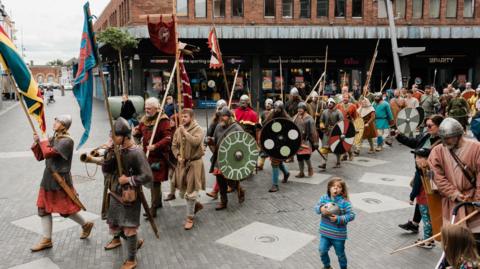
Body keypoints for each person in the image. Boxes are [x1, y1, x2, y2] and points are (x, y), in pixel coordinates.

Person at [30, 115, 94, 252]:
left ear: (64, 125)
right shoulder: (55, 138)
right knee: (42, 208)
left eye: (58, 122)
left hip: (60, 180)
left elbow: (48, 153)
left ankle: (86, 224)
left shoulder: (67, 141)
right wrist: (37, 143)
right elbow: (41, 156)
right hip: (48, 178)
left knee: (66, 210)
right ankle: (47, 239)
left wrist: (44, 141)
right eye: (55, 120)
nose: (54, 123)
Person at [102, 117, 153, 269]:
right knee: (117, 224)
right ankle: (135, 243)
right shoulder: (117, 150)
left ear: (124, 137)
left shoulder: (136, 152)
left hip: (129, 195)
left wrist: (129, 179)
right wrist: (108, 150)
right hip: (116, 193)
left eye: (115, 136)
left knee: (129, 227)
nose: (112, 138)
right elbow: (106, 169)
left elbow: (148, 176)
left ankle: (131, 259)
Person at [428, 118, 480, 248]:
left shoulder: (476, 148)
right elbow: (438, 177)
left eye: (448, 138)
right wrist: (453, 193)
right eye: (443, 138)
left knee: (475, 242)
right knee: (454, 243)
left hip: (473, 203)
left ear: (458, 135)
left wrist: (477, 200)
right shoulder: (438, 151)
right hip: (452, 204)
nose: (444, 142)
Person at [395, 115, 444, 234]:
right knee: (422, 198)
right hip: (422, 172)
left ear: (439, 126)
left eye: (430, 126)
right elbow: (414, 143)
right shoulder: (426, 135)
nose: (427, 128)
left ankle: (431, 234)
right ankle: (415, 224)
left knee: (430, 201)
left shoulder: (443, 141)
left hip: (433, 175)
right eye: (426, 125)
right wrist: (399, 136)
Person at [133, 97, 172, 217]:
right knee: (152, 181)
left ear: (156, 108)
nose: (146, 110)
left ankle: (153, 208)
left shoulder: (163, 120)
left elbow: (168, 138)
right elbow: (139, 132)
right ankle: (158, 202)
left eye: (149, 108)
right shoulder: (144, 119)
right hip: (147, 156)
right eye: (145, 108)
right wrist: (136, 137)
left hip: (159, 156)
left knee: (155, 181)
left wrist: (156, 146)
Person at [171, 109, 206, 230]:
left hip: (195, 164)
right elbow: (174, 146)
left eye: (185, 116)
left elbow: (196, 142)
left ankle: (190, 218)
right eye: (182, 117)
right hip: (182, 164)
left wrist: (184, 133)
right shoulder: (178, 129)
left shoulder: (198, 129)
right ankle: (195, 205)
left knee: (191, 192)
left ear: (191, 117)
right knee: (183, 190)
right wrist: (178, 156)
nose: (183, 119)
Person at [209, 107, 245, 210]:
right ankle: (223, 202)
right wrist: (210, 140)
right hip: (220, 159)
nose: (221, 118)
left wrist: (238, 154)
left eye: (224, 116)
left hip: (232, 160)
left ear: (230, 117)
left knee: (231, 181)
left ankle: (239, 188)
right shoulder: (218, 127)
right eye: (220, 116)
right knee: (220, 181)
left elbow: (243, 144)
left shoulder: (237, 128)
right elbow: (216, 140)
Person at [314, 177, 355, 269]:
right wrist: (321, 208)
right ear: (329, 188)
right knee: (322, 250)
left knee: (340, 255)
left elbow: (352, 215)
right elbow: (316, 208)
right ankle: (327, 266)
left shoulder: (345, 202)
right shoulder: (324, 198)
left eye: (339, 187)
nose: (335, 188)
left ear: (342, 190)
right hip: (325, 233)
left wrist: (338, 219)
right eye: (333, 186)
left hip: (338, 235)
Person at [410, 148, 435, 249]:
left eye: (420, 157)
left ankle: (427, 241)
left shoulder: (421, 171)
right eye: (416, 157)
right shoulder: (431, 169)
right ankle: (430, 238)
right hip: (430, 199)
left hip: (424, 200)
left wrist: (411, 197)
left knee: (426, 220)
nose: (416, 159)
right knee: (429, 220)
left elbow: (416, 186)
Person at [264, 100, 291, 192]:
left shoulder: (286, 117)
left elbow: (290, 130)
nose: (276, 110)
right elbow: (266, 124)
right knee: (277, 161)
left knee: (275, 163)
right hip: (273, 142)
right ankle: (286, 173)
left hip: (282, 143)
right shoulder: (271, 115)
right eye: (275, 108)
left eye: (278, 109)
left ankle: (275, 185)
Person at [205, 99, 227, 200]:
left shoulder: (230, 120)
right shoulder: (214, 122)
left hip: (228, 149)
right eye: (218, 108)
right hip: (218, 149)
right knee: (220, 172)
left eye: (221, 108)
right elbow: (209, 135)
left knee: (222, 171)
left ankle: (216, 191)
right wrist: (206, 141)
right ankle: (218, 191)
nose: (219, 110)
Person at [293, 102, 319, 177]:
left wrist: (315, 142)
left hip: (306, 140)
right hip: (298, 140)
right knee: (299, 157)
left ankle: (310, 168)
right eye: (298, 108)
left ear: (305, 109)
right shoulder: (295, 117)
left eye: (301, 108)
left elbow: (313, 131)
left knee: (306, 156)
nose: (299, 110)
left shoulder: (309, 118)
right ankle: (301, 172)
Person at [318, 98, 343, 170]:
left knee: (336, 148)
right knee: (325, 148)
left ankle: (338, 162)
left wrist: (338, 130)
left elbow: (342, 122)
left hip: (336, 132)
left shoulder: (338, 112)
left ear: (334, 104)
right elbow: (321, 120)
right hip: (327, 132)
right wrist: (322, 125)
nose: (329, 104)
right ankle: (323, 163)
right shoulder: (324, 112)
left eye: (331, 103)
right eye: (328, 103)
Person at [336, 93, 358, 161]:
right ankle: (345, 155)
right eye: (344, 97)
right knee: (341, 141)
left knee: (347, 140)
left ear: (349, 98)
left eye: (346, 97)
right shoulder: (338, 106)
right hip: (341, 125)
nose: (345, 98)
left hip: (349, 125)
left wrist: (355, 126)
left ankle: (350, 153)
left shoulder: (353, 106)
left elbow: (355, 117)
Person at [257, 98, 274, 170]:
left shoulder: (274, 112)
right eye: (266, 104)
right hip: (265, 132)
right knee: (263, 149)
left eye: (269, 104)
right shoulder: (263, 113)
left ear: (272, 105)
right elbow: (260, 123)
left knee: (274, 149)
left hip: (273, 132)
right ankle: (260, 164)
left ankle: (277, 164)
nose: (267, 105)